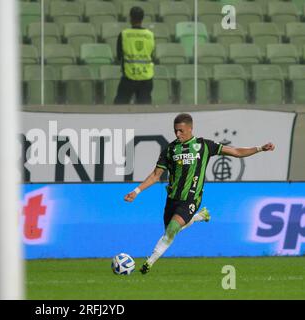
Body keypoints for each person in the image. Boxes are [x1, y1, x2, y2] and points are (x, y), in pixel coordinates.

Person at [124, 113, 275, 274]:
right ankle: (199, 217)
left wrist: (260, 148)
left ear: (190, 128)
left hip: (191, 198)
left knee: (172, 228)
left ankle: (149, 262)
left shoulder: (204, 145)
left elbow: (236, 151)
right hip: (172, 198)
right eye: (175, 131)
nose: (178, 134)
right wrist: (136, 191)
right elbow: (155, 175)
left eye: (181, 131)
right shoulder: (170, 149)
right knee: (170, 231)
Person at [114, 6, 155, 105]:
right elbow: (151, 54)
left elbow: (119, 56)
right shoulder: (150, 35)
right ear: (142, 18)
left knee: (118, 108)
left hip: (129, 77)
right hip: (146, 77)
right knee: (145, 110)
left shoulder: (124, 34)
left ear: (130, 18)